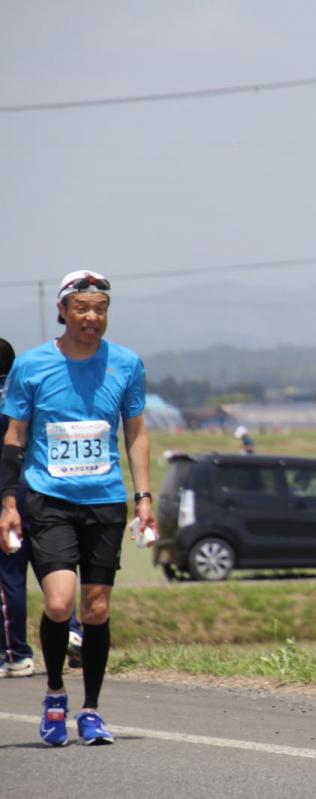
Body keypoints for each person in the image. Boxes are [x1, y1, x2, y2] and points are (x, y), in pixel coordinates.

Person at [0, 270, 155, 747]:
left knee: (97, 608)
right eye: (83, 308)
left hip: (104, 501)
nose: (92, 317)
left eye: (100, 309)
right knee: (59, 602)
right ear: (63, 311)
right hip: (48, 499)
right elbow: (14, 437)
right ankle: (53, 696)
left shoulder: (126, 364)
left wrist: (144, 498)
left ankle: (90, 709)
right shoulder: (31, 365)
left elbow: (135, 433)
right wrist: (9, 502)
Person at [0, 337, 35, 678]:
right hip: (38, 490)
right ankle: (72, 629)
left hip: (7, 494)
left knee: (8, 575)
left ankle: (15, 652)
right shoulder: (21, 396)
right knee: (46, 565)